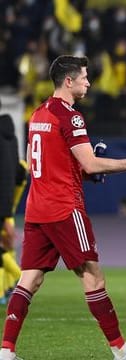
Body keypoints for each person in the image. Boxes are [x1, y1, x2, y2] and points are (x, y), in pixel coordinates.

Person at [0, 55, 126, 360]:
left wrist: (83, 173)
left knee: (30, 279)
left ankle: (6, 351)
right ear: (69, 81)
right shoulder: (70, 116)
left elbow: (36, 164)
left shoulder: (38, 114)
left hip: (37, 208)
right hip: (65, 207)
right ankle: (121, 350)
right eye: (84, 77)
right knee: (93, 276)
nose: (88, 83)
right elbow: (89, 162)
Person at [0, 100, 20, 306]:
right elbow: (15, 172)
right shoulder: (10, 137)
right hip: (8, 201)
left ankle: (19, 281)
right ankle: (7, 289)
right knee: (6, 249)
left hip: (3, 204)